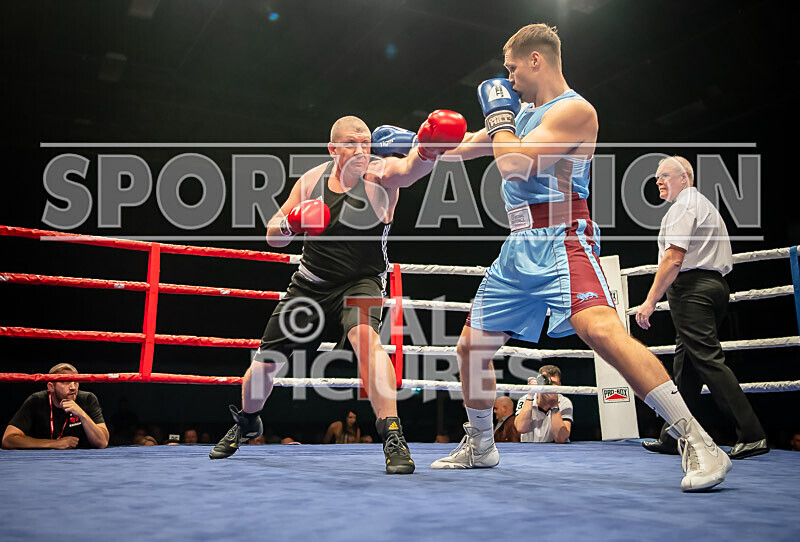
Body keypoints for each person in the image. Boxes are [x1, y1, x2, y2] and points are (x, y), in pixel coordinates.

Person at [428, 23, 731, 491]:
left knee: (604, 333)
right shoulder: (522, 112)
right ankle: (482, 445)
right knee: (471, 348)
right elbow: (466, 147)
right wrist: (415, 145)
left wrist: (499, 119)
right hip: (518, 246)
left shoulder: (575, 111)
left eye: (512, 68)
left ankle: (699, 442)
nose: (508, 81)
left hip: (564, 237)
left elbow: (515, 163)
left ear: (536, 60)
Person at [208, 111, 467, 474]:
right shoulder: (311, 180)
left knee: (366, 340)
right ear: (333, 148)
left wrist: (427, 150)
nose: (361, 147)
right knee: (263, 368)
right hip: (310, 283)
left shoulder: (379, 174)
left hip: (361, 281)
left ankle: (392, 433)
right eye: (351, 142)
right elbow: (272, 236)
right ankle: (249, 421)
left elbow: (409, 171)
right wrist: (292, 222)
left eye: (365, 140)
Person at [636, 156, 769, 460]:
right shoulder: (703, 205)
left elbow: (673, 258)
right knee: (687, 369)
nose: (658, 181)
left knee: (707, 360)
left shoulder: (683, 206)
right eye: (656, 177)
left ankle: (752, 434)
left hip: (693, 289)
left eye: (664, 175)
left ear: (685, 178)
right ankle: (674, 435)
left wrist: (650, 301)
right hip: (712, 288)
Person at [2, 363, 109, 450]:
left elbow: (102, 442)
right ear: (51, 387)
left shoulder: (87, 399)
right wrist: (54, 443)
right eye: (65, 382)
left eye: (75, 381)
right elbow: (8, 440)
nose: (73, 387)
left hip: (81, 462)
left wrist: (82, 415)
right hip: (40, 462)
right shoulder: (37, 400)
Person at [514, 366, 573, 444]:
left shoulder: (565, 402)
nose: (549, 386)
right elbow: (521, 428)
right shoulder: (525, 399)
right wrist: (530, 395)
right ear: (539, 382)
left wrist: (554, 405)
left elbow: (560, 438)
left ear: (559, 385)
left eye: (553, 383)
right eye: (546, 381)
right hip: (529, 450)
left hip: (556, 450)